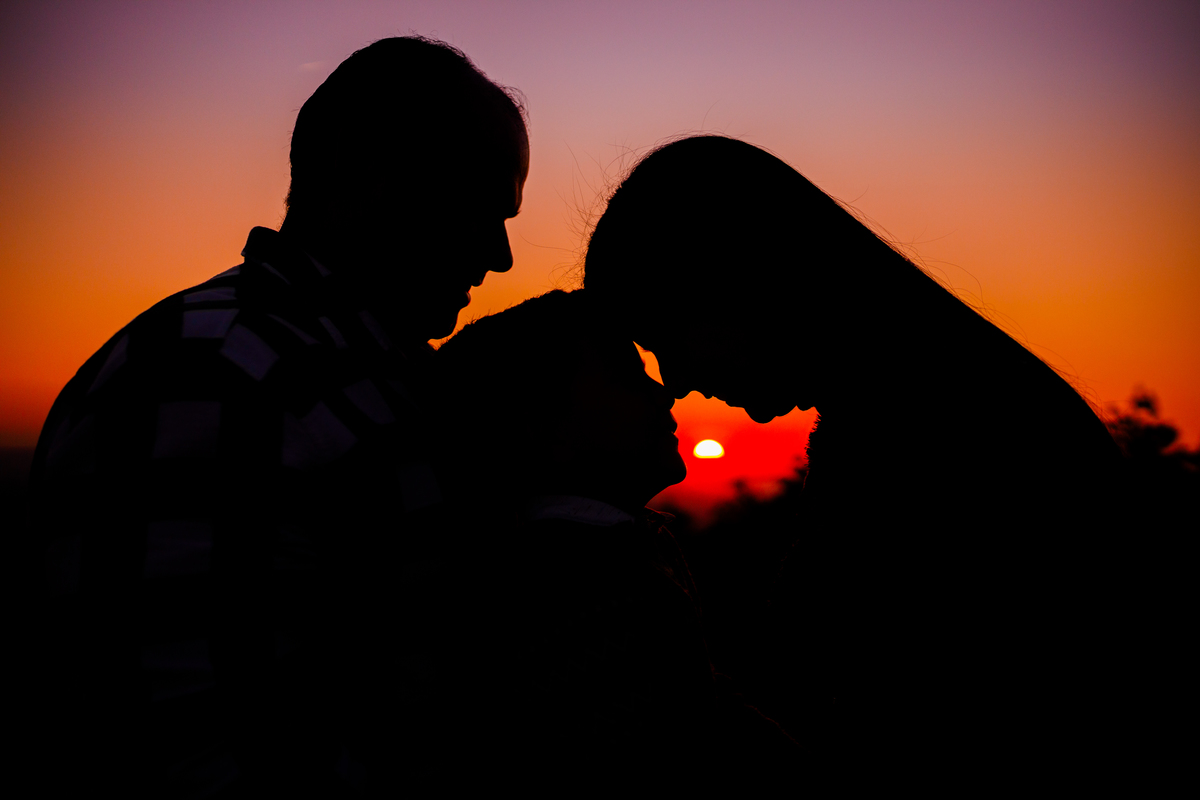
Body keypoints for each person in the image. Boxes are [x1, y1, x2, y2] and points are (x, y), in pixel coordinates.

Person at [29, 36, 527, 795]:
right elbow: (195, 750)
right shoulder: (211, 373)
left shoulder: (348, 368)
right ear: (368, 179)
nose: (500, 256)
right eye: (478, 208)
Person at [583, 136, 1140, 790]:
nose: (674, 380)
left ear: (742, 281)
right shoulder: (907, 413)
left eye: (667, 336)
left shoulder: (940, 437)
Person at [434, 290, 804, 789]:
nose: (664, 394)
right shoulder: (570, 590)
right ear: (544, 430)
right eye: (629, 377)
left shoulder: (618, 550)